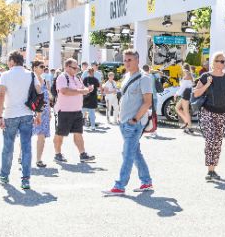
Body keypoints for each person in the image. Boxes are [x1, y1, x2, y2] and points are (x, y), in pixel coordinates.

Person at [105, 49, 154, 195]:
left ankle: (119, 185)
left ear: (137, 60)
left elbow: (147, 102)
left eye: (130, 60)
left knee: (127, 154)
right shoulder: (126, 76)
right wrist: (120, 116)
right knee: (134, 152)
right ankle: (146, 182)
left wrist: (135, 119)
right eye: (125, 60)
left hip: (134, 123)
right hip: (124, 122)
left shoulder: (144, 78)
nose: (126, 63)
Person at [0, 51, 42, 190]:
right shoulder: (31, 74)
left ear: (12, 61)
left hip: (10, 114)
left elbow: (1, 95)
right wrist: (38, 114)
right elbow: (40, 93)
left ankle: (4, 174)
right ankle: (25, 179)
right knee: (26, 147)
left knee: (8, 146)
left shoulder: (5, 75)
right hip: (27, 114)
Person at [193, 51, 225, 181]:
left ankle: (213, 169)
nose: (224, 64)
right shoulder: (206, 76)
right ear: (215, 62)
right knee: (211, 139)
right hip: (208, 112)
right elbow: (196, 94)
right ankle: (210, 170)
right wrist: (207, 84)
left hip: (222, 113)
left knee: (218, 141)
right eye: (221, 61)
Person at [53, 58, 95, 163]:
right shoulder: (62, 77)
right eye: (74, 68)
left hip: (77, 110)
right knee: (60, 133)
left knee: (78, 133)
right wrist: (82, 91)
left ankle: (83, 154)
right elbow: (64, 91)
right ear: (67, 67)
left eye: (77, 68)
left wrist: (88, 89)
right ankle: (57, 154)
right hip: (64, 111)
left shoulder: (77, 78)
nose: (77, 70)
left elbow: (82, 89)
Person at [31, 61, 51, 168]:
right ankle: (21, 155)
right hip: (33, 111)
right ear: (34, 68)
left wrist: (49, 111)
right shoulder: (31, 79)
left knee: (41, 136)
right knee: (27, 134)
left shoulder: (43, 79)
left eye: (44, 66)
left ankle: (39, 159)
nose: (43, 68)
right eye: (41, 66)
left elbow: (47, 96)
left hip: (45, 112)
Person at [174, 63, 194, 133]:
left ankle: (190, 127)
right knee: (177, 108)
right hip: (185, 94)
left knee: (186, 111)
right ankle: (186, 122)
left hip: (186, 95)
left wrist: (176, 94)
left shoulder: (187, 76)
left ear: (184, 69)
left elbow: (182, 88)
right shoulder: (189, 75)